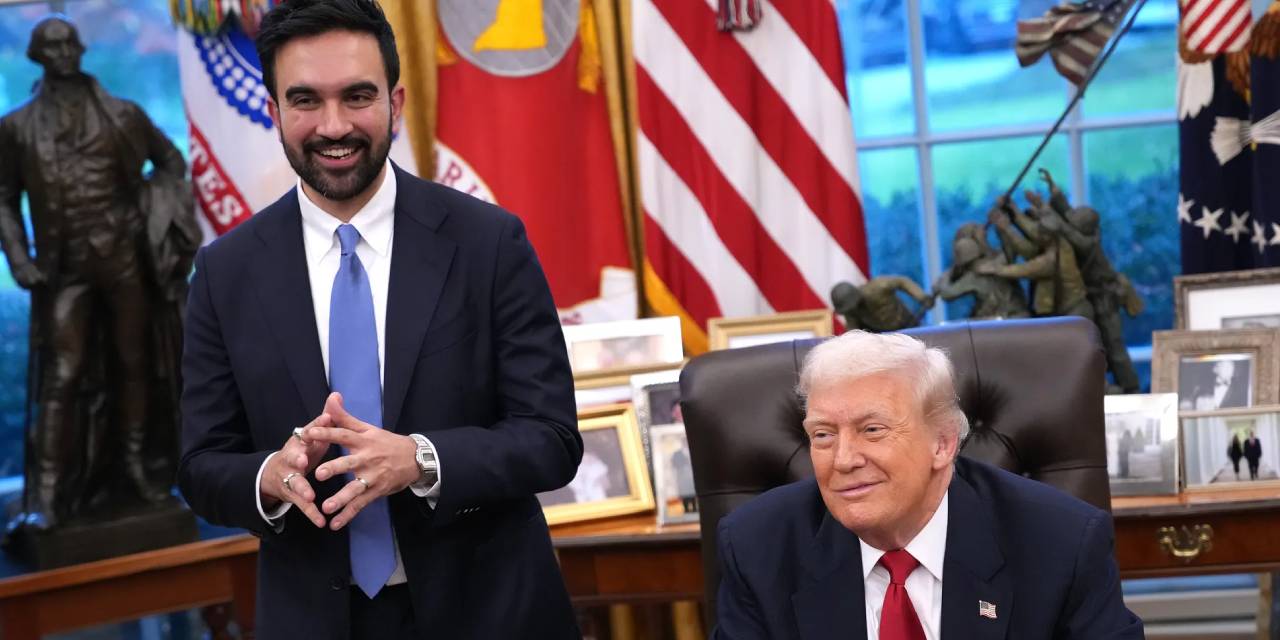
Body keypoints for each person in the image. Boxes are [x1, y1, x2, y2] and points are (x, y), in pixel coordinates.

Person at [177, 1, 583, 638]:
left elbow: (551, 439)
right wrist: (270, 476)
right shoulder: (225, 272)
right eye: (305, 100)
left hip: (491, 610)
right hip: (314, 619)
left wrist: (420, 460)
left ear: (395, 103)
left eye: (357, 96)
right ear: (273, 112)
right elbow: (201, 465)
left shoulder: (489, 242)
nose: (333, 125)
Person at [712, 331, 1142, 639]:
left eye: (872, 430)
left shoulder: (1061, 542)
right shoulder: (757, 547)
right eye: (823, 435)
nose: (843, 460)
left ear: (943, 444)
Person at [0, 16, 196, 530]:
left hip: (125, 261)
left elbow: (171, 162)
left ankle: (138, 470)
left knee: (134, 364)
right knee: (62, 375)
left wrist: (153, 216)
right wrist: (19, 259)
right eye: (53, 46)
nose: (64, 53)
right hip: (62, 271)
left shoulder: (122, 114)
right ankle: (47, 495)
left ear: (81, 48)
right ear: (37, 56)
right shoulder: (17, 128)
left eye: (70, 43)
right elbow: (3, 198)